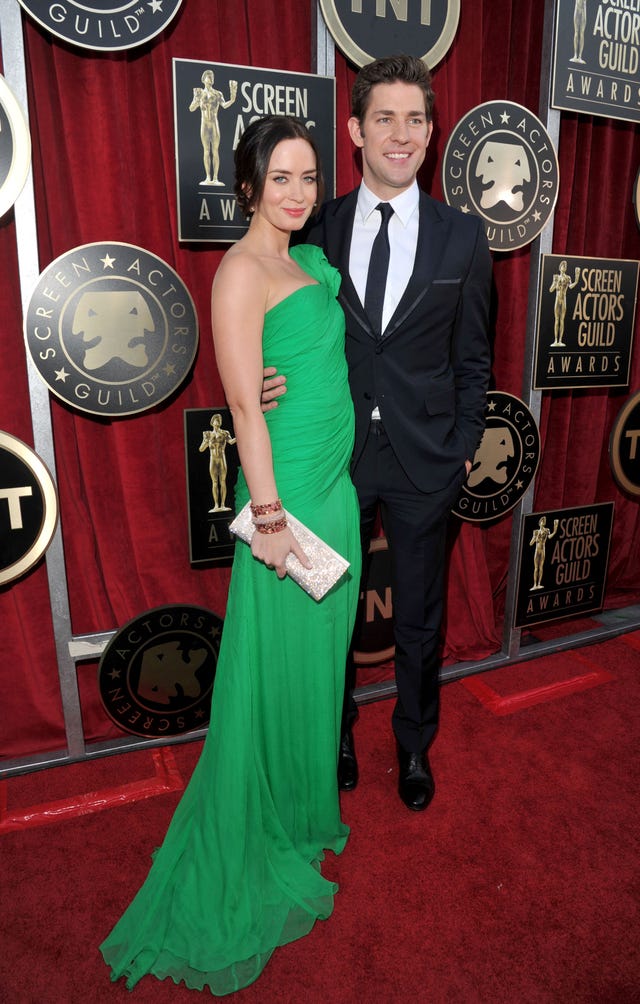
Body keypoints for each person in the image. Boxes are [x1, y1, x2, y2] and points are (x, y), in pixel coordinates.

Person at [100, 115, 361, 994]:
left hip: (336, 489)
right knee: (274, 667)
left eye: (308, 177)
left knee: (319, 672)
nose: (297, 193)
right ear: (247, 185)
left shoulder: (307, 263)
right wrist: (270, 513)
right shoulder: (241, 272)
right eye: (280, 178)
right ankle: (263, 822)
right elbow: (247, 409)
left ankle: (299, 809)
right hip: (290, 499)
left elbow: (291, 370)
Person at [263, 55, 492, 812]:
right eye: (385, 118)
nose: (402, 135)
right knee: (328, 606)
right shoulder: (316, 224)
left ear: (432, 130)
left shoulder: (464, 238)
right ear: (356, 129)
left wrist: (461, 446)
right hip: (334, 456)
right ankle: (335, 735)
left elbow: (474, 356)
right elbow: (279, 320)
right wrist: (262, 379)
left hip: (428, 462)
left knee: (422, 617)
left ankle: (414, 743)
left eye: (417, 119)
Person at [189, 69, 238, 186]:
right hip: (204, 124)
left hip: (214, 124)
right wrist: (196, 99)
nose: (210, 78)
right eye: (208, 76)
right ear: (203, 79)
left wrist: (233, 98)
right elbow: (191, 108)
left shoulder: (217, 93)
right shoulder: (199, 93)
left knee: (215, 151)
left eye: (211, 77)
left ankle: (215, 178)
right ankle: (207, 177)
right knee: (206, 151)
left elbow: (225, 105)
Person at [199, 412, 236, 512]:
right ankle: (216, 505)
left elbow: (231, 442)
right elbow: (201, 449)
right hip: (213, 459)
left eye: (219, 420)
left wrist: (240, 434)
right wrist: (205, 441)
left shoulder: (225, 433)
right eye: (216, 420)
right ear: (212, 422)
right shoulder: (207, 434)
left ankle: (223, 504)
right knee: (214, 482)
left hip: (222, 458)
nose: (218, 422)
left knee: (223, 481)